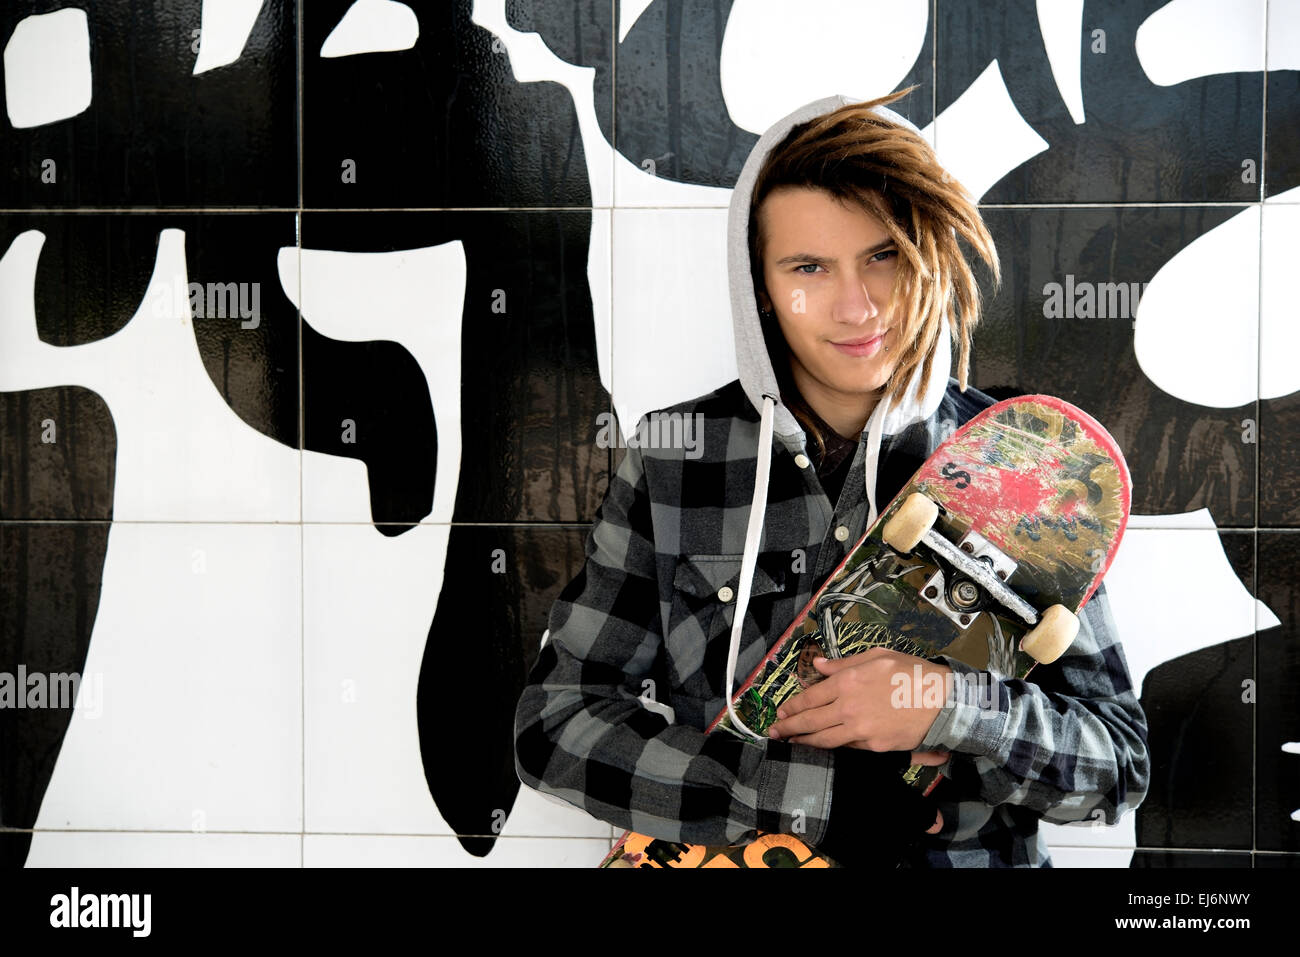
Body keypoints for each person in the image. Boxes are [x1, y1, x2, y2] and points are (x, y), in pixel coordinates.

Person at [514, 87, 1149, 867]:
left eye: (882, 255)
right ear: (764, 293)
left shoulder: (1030, 472)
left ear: (926, 254)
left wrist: (944, 706)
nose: (856, 306)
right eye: (808, 267)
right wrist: (794, 795)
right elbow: (554, 723)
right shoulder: (676, 460)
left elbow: (1118, 764)